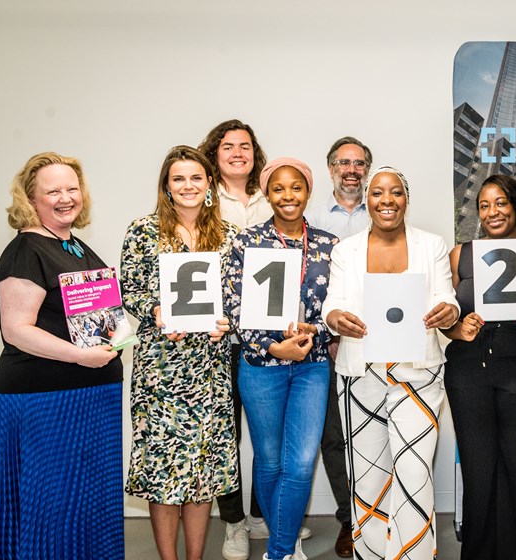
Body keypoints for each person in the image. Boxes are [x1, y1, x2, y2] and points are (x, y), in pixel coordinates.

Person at [322, 166, 459, 560]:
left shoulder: (430, 245)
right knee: (368, 478)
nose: (387, 200)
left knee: (414, 474)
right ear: (367, 200)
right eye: (378, 193)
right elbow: (334, 302)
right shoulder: (345, 250)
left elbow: (446, 296)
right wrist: (334, 318)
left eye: (395, 192)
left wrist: (448, 312)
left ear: (406, 199)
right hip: (361, 374)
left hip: (417, 373)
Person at [0, 153, 123, 559]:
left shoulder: (72, 244)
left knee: (86, 503)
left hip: (90, 394)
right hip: (46, 399)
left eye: (72, 188)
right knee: (54, 507)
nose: (66, 197)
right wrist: (78, 356)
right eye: (53, 191)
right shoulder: (25, 251)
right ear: (31, 199)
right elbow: (17, 331)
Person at [121, 145, 238, 560]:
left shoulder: (230, 236)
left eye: (196, 178)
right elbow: (129, 292)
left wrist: (228, 321)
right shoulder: (142, 231)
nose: (188, 185)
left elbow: (238, 300)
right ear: (166, 187)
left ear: (209, 185)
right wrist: (155, 310)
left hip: (209, 368)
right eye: (179, 179)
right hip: (161, 369)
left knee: (202, 469)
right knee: (164, 470)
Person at [443, 174, 516, 560]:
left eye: (500, 203)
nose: (492, 211)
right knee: (478, 472)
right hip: (467, 374)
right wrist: (457, 328)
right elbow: (445, 318)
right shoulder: (459, 255)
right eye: (484, 204)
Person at [224, 158, 337, 560]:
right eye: (278, 188)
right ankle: (284, 545)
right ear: (267, 193)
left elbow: (339, 306)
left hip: (312, 365)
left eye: (296, 187)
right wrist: (272, 347)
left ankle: (280, 550)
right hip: (261, 366)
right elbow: (233, 305)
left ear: (307, 192)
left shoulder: (329, 244)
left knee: (302, 461)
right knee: (269, 461)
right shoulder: (245, 241)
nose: (287, 196)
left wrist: (313, 333)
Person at [198, 119, 287, 560]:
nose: (237, 153)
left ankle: (260, 516)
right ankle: (233, 523)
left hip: (267, 337)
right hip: (218, 338)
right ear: (214, 153)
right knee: (227, 433)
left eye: (245, 146)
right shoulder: (200, 197)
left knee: (267, 436)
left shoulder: (270, 194)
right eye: (228, 146)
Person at [303, 136, 375, 558]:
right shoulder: (309, 218)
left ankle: (377, 516)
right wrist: (329, 337)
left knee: (375, 432)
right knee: (334, 438)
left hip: (376, 343)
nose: (352, 170)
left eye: (360, 163)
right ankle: (350, 520)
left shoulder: (386, 212)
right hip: (324, 348)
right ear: (330, 168)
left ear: (368, 169)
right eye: (343, 163)